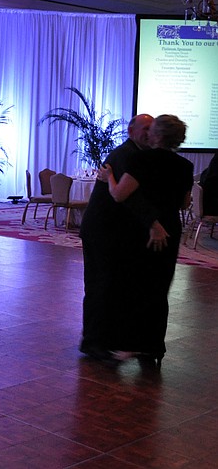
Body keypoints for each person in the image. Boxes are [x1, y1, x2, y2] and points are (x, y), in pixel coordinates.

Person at [104, 114, 193, 366]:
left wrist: (108, 176)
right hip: (170, 229)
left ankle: (131, 345)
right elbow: (185, 203)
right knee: (159, 287)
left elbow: (119, 195)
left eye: (151, 129)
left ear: (157, 135)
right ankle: (153, 347)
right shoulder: (185, 165)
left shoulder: (139, 159)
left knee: (136, 285)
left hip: (142, 230)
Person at [79, 114, 159, 362]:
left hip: (110, 231)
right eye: (145, 128)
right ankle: (94, 343)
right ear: (131, 130)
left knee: (108, 285)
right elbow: (126, 197)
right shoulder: (127, 155)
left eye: (152, 129)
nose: (149, 133)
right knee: (101, 285)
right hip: (102, 231)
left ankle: (101, 340)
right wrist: (153, 222)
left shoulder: (135, 155)